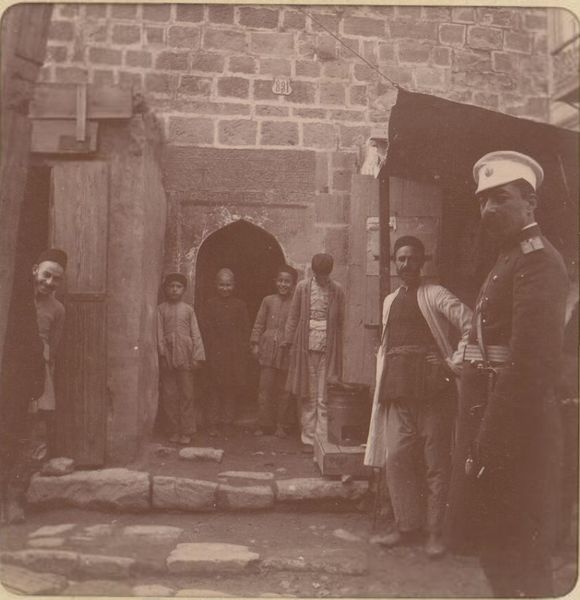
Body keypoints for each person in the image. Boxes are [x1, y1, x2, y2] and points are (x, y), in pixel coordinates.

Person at [445, 151, 568, 597]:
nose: (489, 209)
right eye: (483, 200)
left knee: (520, 558)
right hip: (493, 422)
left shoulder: (538, 261)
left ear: (530, 203)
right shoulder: (509, 259)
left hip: (516, 432)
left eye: (501, 198)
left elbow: (530, 365)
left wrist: (489, 439)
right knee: (497, 552)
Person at [364, 236, 472, 558]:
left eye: (412, 258)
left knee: (435, 462)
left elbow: (470, 323)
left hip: (432, 390)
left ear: (422, 262)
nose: (406, 264)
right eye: (401, 259)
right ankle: (406, 526)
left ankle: (435, 532)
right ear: (394, 263)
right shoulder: (390, 300)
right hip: (398, 390)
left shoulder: (435, 293)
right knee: (397, 457)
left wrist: (451, 362)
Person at [0, 248, 67, 523]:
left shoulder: (57, 309)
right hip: (9, 372)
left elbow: (54, 346)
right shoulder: (13, 298)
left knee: (29, 438)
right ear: (34, 270)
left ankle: (14, 498)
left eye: (56, 279)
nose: (49, 282)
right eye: (46, 275)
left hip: (37, 375)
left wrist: (42, 375)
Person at [283, 253, 345, 451]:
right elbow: (293, 316)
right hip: (305, 346)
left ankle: (322, 440)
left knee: (324, 395)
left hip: (329, 347)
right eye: (318, 275)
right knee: (308, 395)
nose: (321, 279)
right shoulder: (302, 288)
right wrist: (288, 341)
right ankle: (308, 439)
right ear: (313, 272)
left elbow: (342, 321)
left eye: (325, 275)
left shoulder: (337, 290)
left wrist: (341, 347)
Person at [199, 268, 250, 437]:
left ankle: (227, 422)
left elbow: (245, 330)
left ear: (234, 285)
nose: (225, 288)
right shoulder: (209, 304)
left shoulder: (240, 305)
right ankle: (212, 423)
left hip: (233, 355)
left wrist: (241, 351)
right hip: (214, 353)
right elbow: (205, 329)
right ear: (216, 285)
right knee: (213, 389)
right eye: (221, 285)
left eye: (228, 285)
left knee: (230, 388)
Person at [157, 273, 205, 445]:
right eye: (171, 286)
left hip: (185, 355)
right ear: (166, 289)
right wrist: (162, 354)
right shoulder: (161, 309)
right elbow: (159, 333)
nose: (174, 290)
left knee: (187, 393)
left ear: (184, 290)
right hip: (168, 356)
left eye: (178, 287)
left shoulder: (188, 310)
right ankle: (173, 430)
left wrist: (197, 356)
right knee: (169, 394)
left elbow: (196, 333)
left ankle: (187, 430)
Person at [250, 265, 298, 438]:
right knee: (265, 388)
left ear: (293, 284)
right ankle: (263, 424)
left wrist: (292, 345)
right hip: (268, 348)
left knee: (284, 390)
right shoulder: (268, 300)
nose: (283, 284)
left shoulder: (296, 303)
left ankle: (281, 425)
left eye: (287, 281)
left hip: (286, 349)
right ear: (275, 282)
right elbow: (259, 323)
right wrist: (255, 343)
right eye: (280, 281)